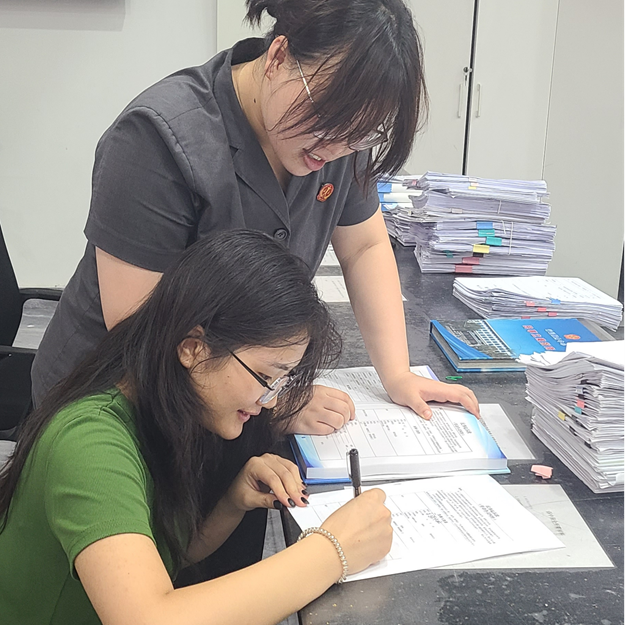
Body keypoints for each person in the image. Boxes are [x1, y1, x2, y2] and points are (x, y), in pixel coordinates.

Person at [31, 0, 480, 434]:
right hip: (114, 402)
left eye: (360, 135)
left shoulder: (340, 136)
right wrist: (276, 399)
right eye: (324, 118)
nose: (334, 149)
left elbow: (364, 246)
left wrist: (397, 374)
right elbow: (140, 326)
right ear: (278, 57)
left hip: (234, 402)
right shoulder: (157, 138)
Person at [0, 231, 393, 625]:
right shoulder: (89, 444)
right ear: (193, 348)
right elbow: (148, 617)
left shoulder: (165, 406)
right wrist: (331, 551)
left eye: (280, 382)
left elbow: (165, 555)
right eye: (264, 377)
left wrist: (231, 503)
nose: (271, 401)